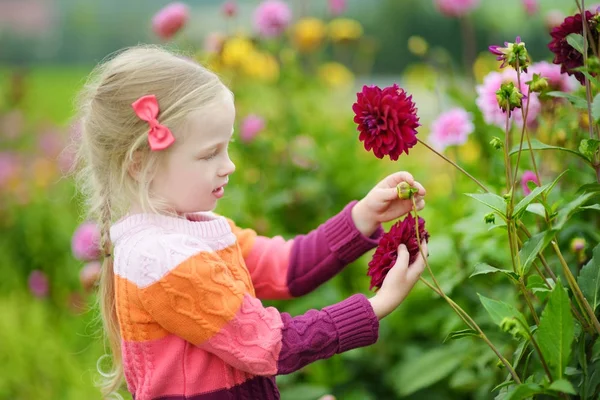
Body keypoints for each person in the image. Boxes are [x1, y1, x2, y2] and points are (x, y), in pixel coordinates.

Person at [72, 44, 427, 400]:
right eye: (209, 153)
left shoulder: (195, 231)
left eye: (227, 147)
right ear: (139, 163)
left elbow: (287, 267)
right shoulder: (163, 258)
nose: (229, 165)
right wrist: (378, 304)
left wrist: (363, 216)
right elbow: (270, 344)